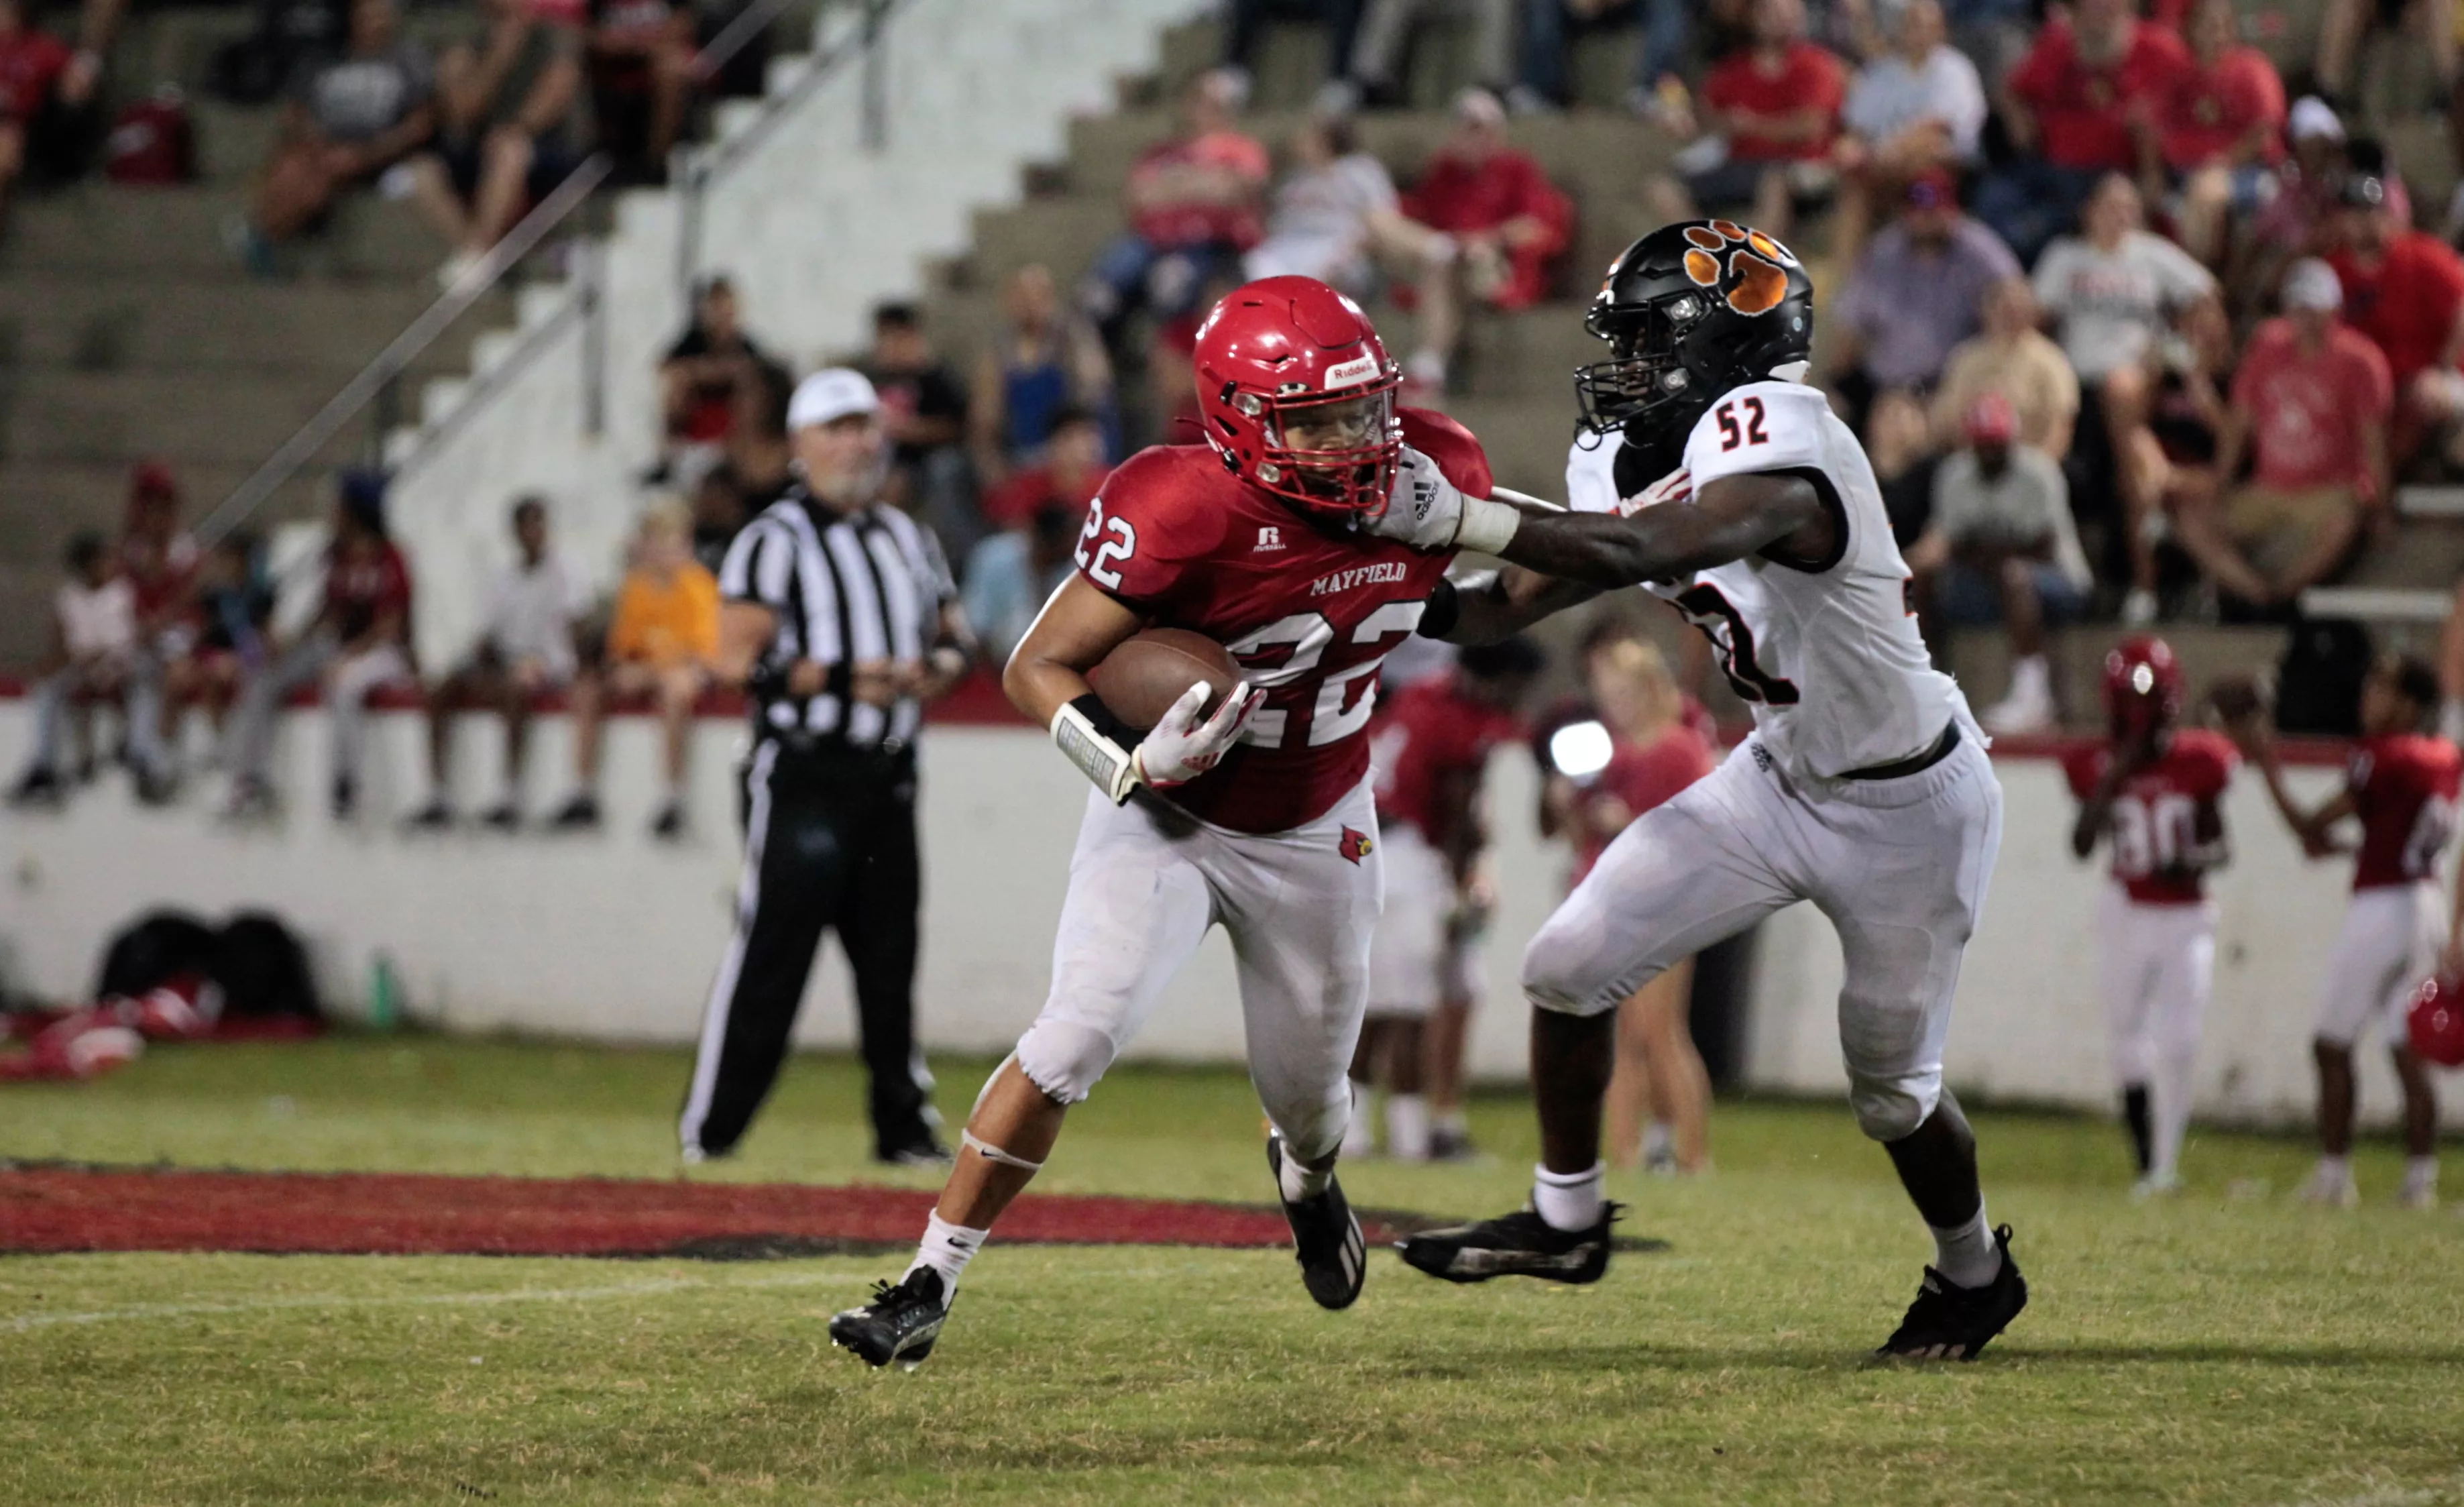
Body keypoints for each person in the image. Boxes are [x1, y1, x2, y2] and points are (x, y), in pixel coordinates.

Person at [1365, 221, 2027, 1362]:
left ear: (1718, 343)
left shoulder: (1788, 434)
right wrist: (1355, 576)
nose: (1619, 369)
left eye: (1641, 340)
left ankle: (1972, 1270)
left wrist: (1461, 515)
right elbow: (1497, 603)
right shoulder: (1629, 455)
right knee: (1564, 967)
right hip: (1776, 773)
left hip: (1909, 801)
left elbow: (1641, 549)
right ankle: (1565, 1221)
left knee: (1889, 1094)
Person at [828, 276, 1494, 1370]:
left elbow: (1487, 603)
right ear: (1238, 420)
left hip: (1316, 818)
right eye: (1312, 419)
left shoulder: (1435, 470)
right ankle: (925, 1280)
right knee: (1072, 1033)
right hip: (1167, 814)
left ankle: (1308, 1177)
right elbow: (1031, 663)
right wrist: (1128, 762)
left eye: (1360, 407)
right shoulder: (1176, 504)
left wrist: (1609, 551)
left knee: (1313, 1101)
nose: (1350, 440)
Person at [679, 368, 974, 1169]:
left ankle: (903, 1128)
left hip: (888, 771)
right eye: (836, 428)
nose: (855, 442)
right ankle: (712, 1130)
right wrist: (845, 679)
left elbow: (954, 629)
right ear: (801, 445)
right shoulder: (772, 540)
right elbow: (732, 661)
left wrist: (939, 665)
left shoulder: (906, 536)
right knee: (773, 953)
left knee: (889, 959)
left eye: (865, 426)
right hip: (804, 771)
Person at [2227, 655, 2457, 1211]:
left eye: (2381, 685)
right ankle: (2419, 1181)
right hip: (2425, 898)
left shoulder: (2381, 756)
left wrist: (2267, 764)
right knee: (2405, 1047)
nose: (2367, 695)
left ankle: (2333, 1178)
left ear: (2408, 702)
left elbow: (2310, 825)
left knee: (2330, 1043)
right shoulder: (2443, 755)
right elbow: (2391, 830)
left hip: (2382, 906)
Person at [1349, 635, 1538, 1162]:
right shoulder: (1460, 720)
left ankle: (1362, 1129)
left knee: (1378, 1003)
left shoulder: (1421, 694)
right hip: (1408, 855)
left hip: (1373, 847)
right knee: (1407, 1007)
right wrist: (1459, 887)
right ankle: (1404, 1138)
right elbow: (1457, 812)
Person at [2062, 637, 2237, 1196]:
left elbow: (2221, 847)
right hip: (2125, 908)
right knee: (2127, 1039)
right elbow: (2083, 844)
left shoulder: (2200, 759)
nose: (2143, 714)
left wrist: (2184, 861)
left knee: (2181, 1041)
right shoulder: (2096, 763)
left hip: (2187, 913)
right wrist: (2119, 773)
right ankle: (2148, 1164)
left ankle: (2164, 1167)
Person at [1543, 633, 1718, 1174]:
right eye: (1608, 691)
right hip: (1610, 898)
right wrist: (1570, 805)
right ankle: (1626, 1154)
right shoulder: (1613, 752)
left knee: (1660, 1032)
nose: (1616, 702)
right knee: (1623, 1037)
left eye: (1625, 690)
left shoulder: (1677, 747)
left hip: (1662, 903)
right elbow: (1581, 838)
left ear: (1649, 687)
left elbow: (1702, 830)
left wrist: (1631, 821)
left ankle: (1692, 1153)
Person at [2175, 259, 2390, 614]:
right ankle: (2254, 592)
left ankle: (2285, 594)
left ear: (2333, 309)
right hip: (2269, 487)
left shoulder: (2360, 361)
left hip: (2330, 489)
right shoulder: (2267, 348)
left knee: (2344, 520)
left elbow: (2373, 440)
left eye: (2313, 308)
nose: (2305, 317)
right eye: (2298, 307)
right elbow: (2239, 424)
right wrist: (2221, 480)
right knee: (2192, 517)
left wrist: (2382, 506)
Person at [225, 471, 415, 821]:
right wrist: (290, 644)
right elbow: (326, 611)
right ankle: (249, 777)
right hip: (338, 648)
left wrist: (350, 655)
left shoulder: (390, 558)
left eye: (339, 508)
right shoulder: (337, 555)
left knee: (344, 684)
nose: (333, 515)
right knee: (267, 677)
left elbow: (390, 625)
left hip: (382, 652)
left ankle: (347, 784)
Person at [1905, 395, 2090, 734]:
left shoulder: (2039, 473)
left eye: (1997, 444)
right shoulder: (1954, 474)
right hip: (1985, 583)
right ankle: (1930, 685)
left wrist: (1979, 551)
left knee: (2015, 575)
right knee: (1923, 578)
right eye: (1983, 444)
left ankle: (2033, 696)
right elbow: (1949, 544)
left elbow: (2041, 548)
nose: (1990, 452)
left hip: (2059, 582)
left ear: (2011, 440)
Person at [405, 496, 585, 830]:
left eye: (539, 524)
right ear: (516, 531)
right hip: (507, 658)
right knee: (442, 688)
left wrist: (545, 663)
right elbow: (490, 632)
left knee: (517, 688)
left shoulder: (565, 571)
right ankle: (437, 792)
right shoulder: (503, 577)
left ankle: (510, 792)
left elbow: (573, 627)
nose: (533, 532)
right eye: (527, 525)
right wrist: (474, 658)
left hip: (549, 661)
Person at [552, 498, 717, 838]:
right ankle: (582, 790)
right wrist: (628, 669)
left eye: (670, 542)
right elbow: (622, 648)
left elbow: (701, 651)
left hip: (683, 671)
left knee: (676, 690)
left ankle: (673, 796)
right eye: (655, 542)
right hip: (646, 670)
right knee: (586, 688)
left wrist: (650, 670)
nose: (662, 551)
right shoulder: (636, 587)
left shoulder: (699, 585)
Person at [1980, 0, 2188, 265]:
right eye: (2088, 7)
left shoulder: (2160, 48)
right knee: (1994, 201)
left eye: (2109, 6)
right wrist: (2020, 120)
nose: (2099, 12)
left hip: (2127, 172)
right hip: (2056, 171)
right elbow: (2011, 92)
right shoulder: (2057, 46)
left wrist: (2157, 137)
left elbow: (2194, 94)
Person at [1394, 87, 1573, 393]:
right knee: (1433, 253)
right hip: (1449, 260)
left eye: (1482, 130)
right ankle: (1429, 365)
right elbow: (1418, 218)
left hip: (1496, 267)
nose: (1475, 139)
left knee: (1463, 256)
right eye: (1467, 130)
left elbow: (1535, 226)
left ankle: (1429, 361)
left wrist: (1486, 239)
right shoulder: (1444, 172)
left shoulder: (1518, 169)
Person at [231, 0, 435, 266]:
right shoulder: (325, 57)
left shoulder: (407, 60)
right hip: (324, 149)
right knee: (292, 167)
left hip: (382, 155)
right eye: (371, 16)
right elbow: (294, 113)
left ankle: (264, 237)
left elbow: (421, 124)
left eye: (384, 16)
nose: (379, 22)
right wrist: (317, 144)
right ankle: (262, 233)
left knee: (321, 176)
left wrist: (367, 153)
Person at [1078, 70, 1269, 351]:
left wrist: (1173, 185)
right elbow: (1138, 197)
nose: (1204, 109)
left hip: (1209, 245)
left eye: (1214, 103)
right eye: (1198, 100)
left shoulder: (1240, 149)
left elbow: (1235, 191)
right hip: (1148, 243)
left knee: (1170, 285)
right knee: (1096, 295)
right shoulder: (1160, 152)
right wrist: (1202, 182)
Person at [406, 0, 583, 288]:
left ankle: (475, 256)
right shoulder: (469, 42)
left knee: (509, 150)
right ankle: (477, 253)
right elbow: (463, 111)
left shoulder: (553, 35)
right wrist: (499, 57)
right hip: (481, 147)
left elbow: (558, 88)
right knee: (420, 171)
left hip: (542, 146)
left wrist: (519, 127)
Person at [1824, 170, 2019, 427]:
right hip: (1884, 387)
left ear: (1953, 210)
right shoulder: (1886, 252)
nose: (1927, 218)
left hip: (1948, 388)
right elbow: (1852, 326)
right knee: (1829, 410)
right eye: (1919, 210)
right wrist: (1836, 379)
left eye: (1935, 210)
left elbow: (2016, 300)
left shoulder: (1977, 251)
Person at [1646, 0, 1848, 240]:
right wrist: (1682, 118)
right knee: (1662, 188)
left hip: (1797, 164)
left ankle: (1758, 268)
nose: (1781, 18)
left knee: (1775, 183)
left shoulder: (1816, 64)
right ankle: (1706, 256)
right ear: (1754, 17)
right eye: (1772, 11)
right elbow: (1706, 118)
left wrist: (1751, 126)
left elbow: (1811, 127)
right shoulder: (1731, 70)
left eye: (1789, 11)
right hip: (1740, 163)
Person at [2322, 176, 2464, 472]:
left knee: (2425, 397)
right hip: (2372, 388)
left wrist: (2444, 367)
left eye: (2372, 212)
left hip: (2435, 380)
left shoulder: (2423, 255)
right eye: (2355, 214)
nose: (2364, 222)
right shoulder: (2333, 271)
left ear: (2388, 216)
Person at [1830, 1, 1986, 265]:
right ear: (1901, 29)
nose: (1920, 32)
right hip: (1881, 172)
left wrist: (1887, 151)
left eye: (1928, 26)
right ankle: (1847, 289)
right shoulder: (1881, 73)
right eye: (1913, 25)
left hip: (1942, 174)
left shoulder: (1955, 70)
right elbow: (1855, 130)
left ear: (1942, 31)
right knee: (1855, 195)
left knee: (1923, 157)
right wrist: (1848, 148)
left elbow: (1938, 128)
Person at [7, 532, 143, 807]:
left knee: (136, 681)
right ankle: (45, 765)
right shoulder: (69, 597)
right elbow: (60, 644)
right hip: (79, 668)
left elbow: (125, 640)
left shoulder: (121, 594)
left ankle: (137, 753)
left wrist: (95, 658)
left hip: (116, 667)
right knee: (47, 689)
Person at [2151, 0, 2286, 268]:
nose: (2216, 34)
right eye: (2207, 26)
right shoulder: (2177, 72)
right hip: (2181, 171)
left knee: (2205, 194)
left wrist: (2221, 163)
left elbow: (2264, 131)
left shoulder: (2252, 68)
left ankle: (2196, 285)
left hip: (2246, 171)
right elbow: (2154, 125)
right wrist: (2152, 172)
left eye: (2222, 26)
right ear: (2190, 30)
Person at [967, 264, 1114, 488]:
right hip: (1021, 456)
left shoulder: (1075, 337)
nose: (1029, 304)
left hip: (1073, 450)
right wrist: (992, 467)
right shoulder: (998, 351)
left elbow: (1093, 393)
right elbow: (985, 418)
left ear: (1050, 297)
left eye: (1036, 294)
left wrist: (1065, 451)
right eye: (1021, 296)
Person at [859, 302, 976, 557]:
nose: (887, 346)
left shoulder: (937, 378)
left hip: (928, 461)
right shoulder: (870, 378)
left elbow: (957, 428)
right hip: (885, 458)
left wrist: (909, 430)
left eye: (893, 337)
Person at [1931, 278, 2079, 463]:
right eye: (2005, 308)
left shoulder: (2052, 361)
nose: (2012, 315)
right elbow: (1947, 421)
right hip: (1972, 462)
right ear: (1988, 311)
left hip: (2031, 462)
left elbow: (2061, 427)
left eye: (2019, 309)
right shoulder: (1965, 359)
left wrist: (2037, 468)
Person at [659, 276, 785, 490]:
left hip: (734, 433)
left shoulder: (745, 344)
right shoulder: (692, 343)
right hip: (697, 430)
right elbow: (670, 370)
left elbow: (761, 372)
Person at [961, 503, 1080, 669]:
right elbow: (976, 628)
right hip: (994, 665)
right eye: (1067, 543)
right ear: (1044, 541)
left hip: (1054, 666)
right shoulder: (994, 558)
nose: (1074, 548)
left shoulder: (1074, 567)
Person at [979, 404, 1111, 533]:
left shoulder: (1113, 483)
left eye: (1089, 439)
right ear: (1055, 443)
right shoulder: (1032, 482)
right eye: (1073, 439)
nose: (1082, 448)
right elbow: (1000, 513)